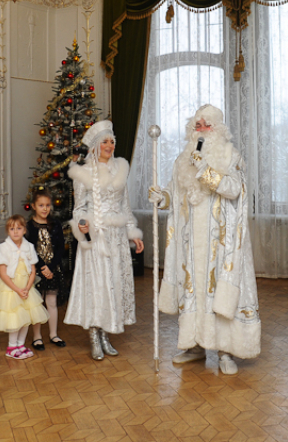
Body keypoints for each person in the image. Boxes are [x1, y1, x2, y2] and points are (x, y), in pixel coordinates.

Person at [149, 104, 260, 375]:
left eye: (206, 125)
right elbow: (175, 196)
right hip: (190, 241)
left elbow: (234, 190)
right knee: (194, 291)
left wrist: (206, 170)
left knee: (218, 294)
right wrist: (162, 198)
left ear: (218, 129)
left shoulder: (230, 156)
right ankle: (194, 345)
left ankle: (224, 350)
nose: (200, 130)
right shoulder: (182, 160)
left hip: (220, 242)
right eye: (196, 126)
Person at [66, 120, 144, 361]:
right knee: (97, 285)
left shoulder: (120, 169)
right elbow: (79, 208)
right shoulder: (83, 173)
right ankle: (93, 335)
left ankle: (106, 334)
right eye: (105, 142)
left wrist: (133, 233)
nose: (110, 145)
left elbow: (125, 206)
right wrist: (82, 224)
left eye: (112, 141)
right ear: (96, 146)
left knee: (113, 283)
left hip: (117, 237)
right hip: (96, 237)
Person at [0, 215, 49, 360]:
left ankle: (21, 345)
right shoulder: (3, 248)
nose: (15, 232)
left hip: (26, 288)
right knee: (14, 317)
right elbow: (3, 273)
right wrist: (17, 289)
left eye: (19, 228)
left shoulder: (29, 247)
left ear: (24, 230)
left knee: (26, 316)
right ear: (8, 231)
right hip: (11, 289)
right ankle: (11, 346)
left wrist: (27, 288)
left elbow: (33, 270)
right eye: (12, 229)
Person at [27, 189, 69, 351]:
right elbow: (30, 250)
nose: (45, 209)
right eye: (41, 205)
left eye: (47, 205)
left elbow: (59, 249)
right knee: (37, 304)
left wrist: (51, 267)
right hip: (36, 271)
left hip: (54, 270)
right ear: (34, 206)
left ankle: (53, 334)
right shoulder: (29, 226)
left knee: (51, 302)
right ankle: (37, 337)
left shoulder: (56, 225)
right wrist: (42, 267)